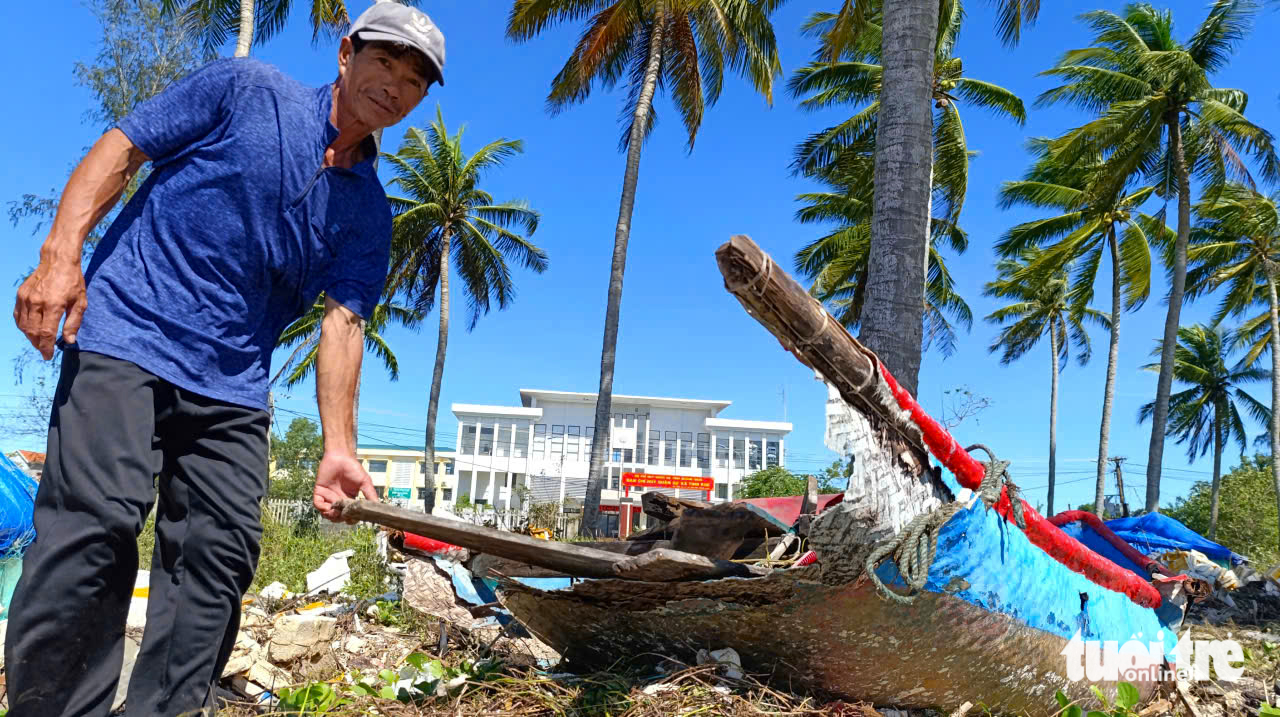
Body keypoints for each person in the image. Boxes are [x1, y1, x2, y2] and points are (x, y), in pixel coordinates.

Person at [4, 4, 444, 715]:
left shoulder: (369, 214)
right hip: (128, 329)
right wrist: (61, 255)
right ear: (346, 54)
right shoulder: (249, 90)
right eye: (385, 62)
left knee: (222, 549)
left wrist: (340, 446)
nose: (394, 85)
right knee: (98, 521)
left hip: (234, 382)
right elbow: (125, 143)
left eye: (414, 80)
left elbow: (344, 322)